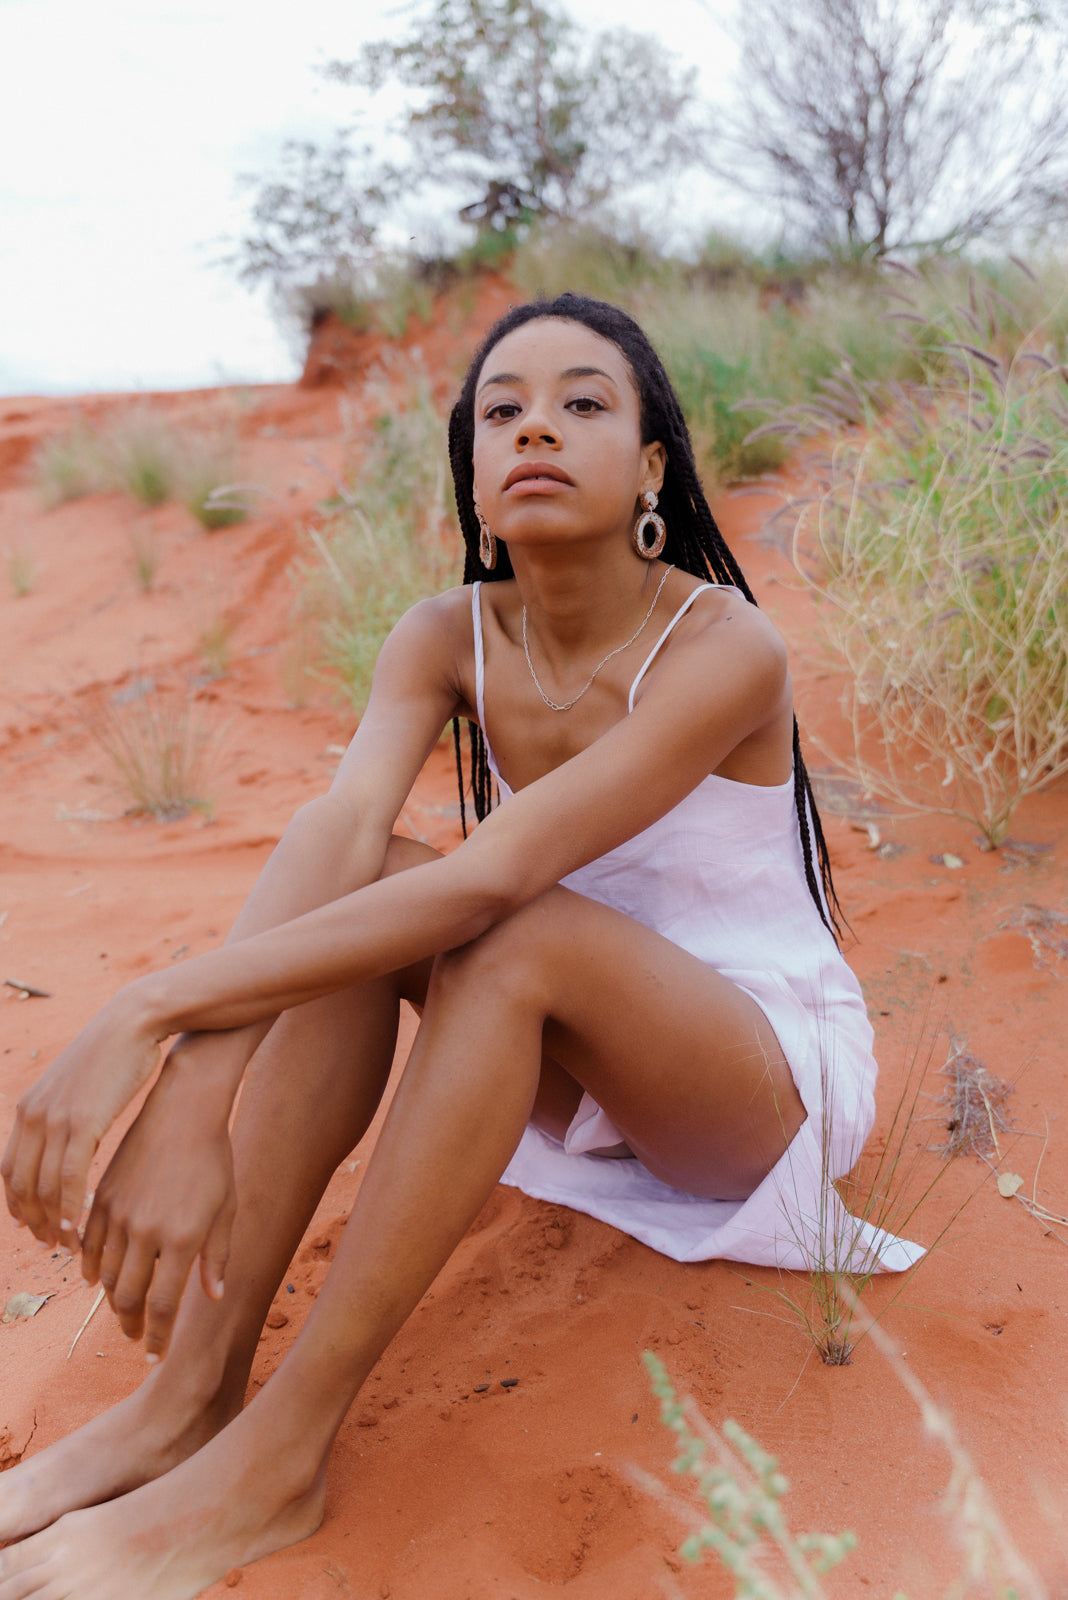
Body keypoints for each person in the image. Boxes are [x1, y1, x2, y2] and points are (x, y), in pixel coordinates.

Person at [0, 294, 918, 1600]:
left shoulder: (725, 646)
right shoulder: (443, 638)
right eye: (503, 409)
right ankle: (186, 1397)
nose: (537, 423)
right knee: (368, 865)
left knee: (504, 924)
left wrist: (142, 1012)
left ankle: (284, 1451)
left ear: (652, 468)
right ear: (477, 473)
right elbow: (335, 839)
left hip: (747, 1079)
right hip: (566, 1049)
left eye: (584, 403)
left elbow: (494, 877)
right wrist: (198, 1080)